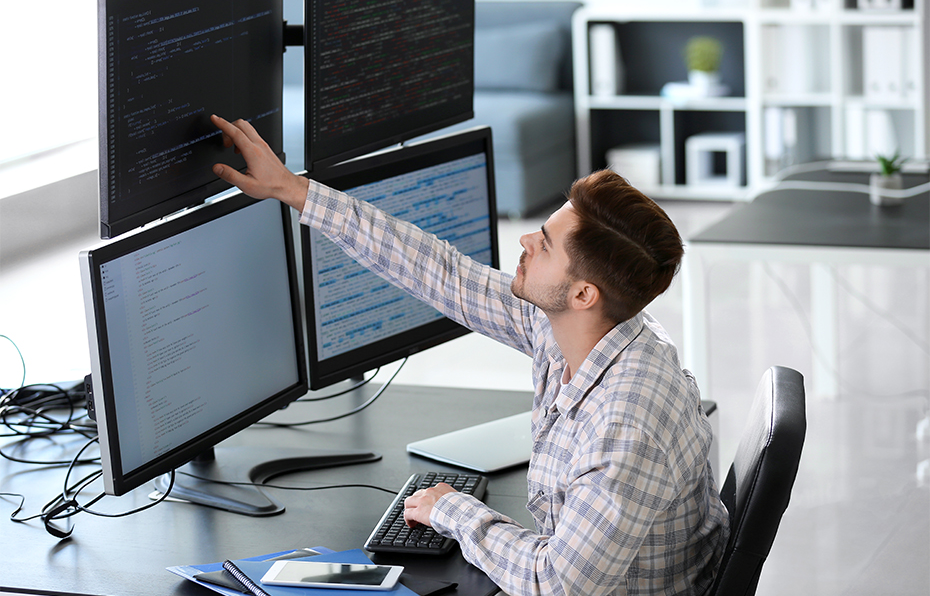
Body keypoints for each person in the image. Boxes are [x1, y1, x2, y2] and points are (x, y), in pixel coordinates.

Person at [210, 115, 729, 596]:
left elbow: (554, 585)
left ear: (582, 294)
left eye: (544, 244)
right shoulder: (584, 328)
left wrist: (453, 510)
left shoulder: (626, 422)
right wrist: (292, 190)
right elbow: (444, 275)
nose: (525, 238)